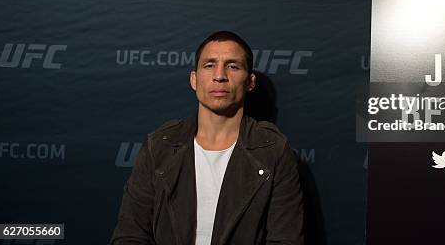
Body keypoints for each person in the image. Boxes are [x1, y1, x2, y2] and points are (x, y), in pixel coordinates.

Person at [111, 31, 304, 245]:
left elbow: (286, 240)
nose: (219, 75)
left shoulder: (273, 151)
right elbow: (129, 236)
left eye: (233, 66)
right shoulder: (159, 146)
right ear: (194, 80)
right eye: (209, 65)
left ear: (250, 82)